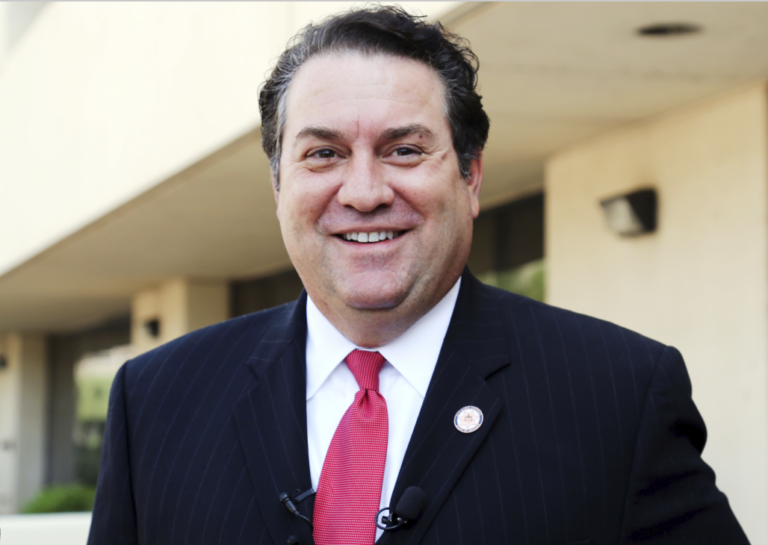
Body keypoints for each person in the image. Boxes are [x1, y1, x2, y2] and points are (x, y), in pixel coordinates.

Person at [88, 6, 749, 545]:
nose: (364, 192)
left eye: (404, 149)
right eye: (323, 153)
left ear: (470, 176)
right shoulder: (155, 402)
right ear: (278, 185)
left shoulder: (620, 394)